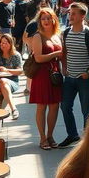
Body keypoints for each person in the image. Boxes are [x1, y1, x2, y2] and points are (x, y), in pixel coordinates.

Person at [59, 2, 89, 148]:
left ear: (82, 16)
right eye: (70, 13)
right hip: (69, 78)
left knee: (86, 110)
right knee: (65, 106)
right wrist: (64, 68)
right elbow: (64, 52)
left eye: (73, 14)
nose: (70, 16)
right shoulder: (65, 33)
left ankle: (87, 140)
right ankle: (72, 135)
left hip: (84, 79)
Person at [29, 8, 64, 149]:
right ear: (40, 21)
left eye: (48, 18)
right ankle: (42, 138)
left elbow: (62, 56)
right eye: (43, 19)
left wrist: (64, 69)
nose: (46, 21)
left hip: (55, 74)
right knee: (42, 106)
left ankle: (50, 135)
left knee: (55, 106)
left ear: (54, 19)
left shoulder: (57, 35)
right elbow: (38, 58)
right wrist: (56, 53)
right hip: (42, 74)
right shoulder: (38, 36)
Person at [0, 33, 23, 120]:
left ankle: (13, 109)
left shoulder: (16, 55)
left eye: (5, 43)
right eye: (1, 42)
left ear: (10, 44)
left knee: (1, 81)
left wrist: (6, 70)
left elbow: (20, 71)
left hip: (12, 82)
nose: (3, 45)